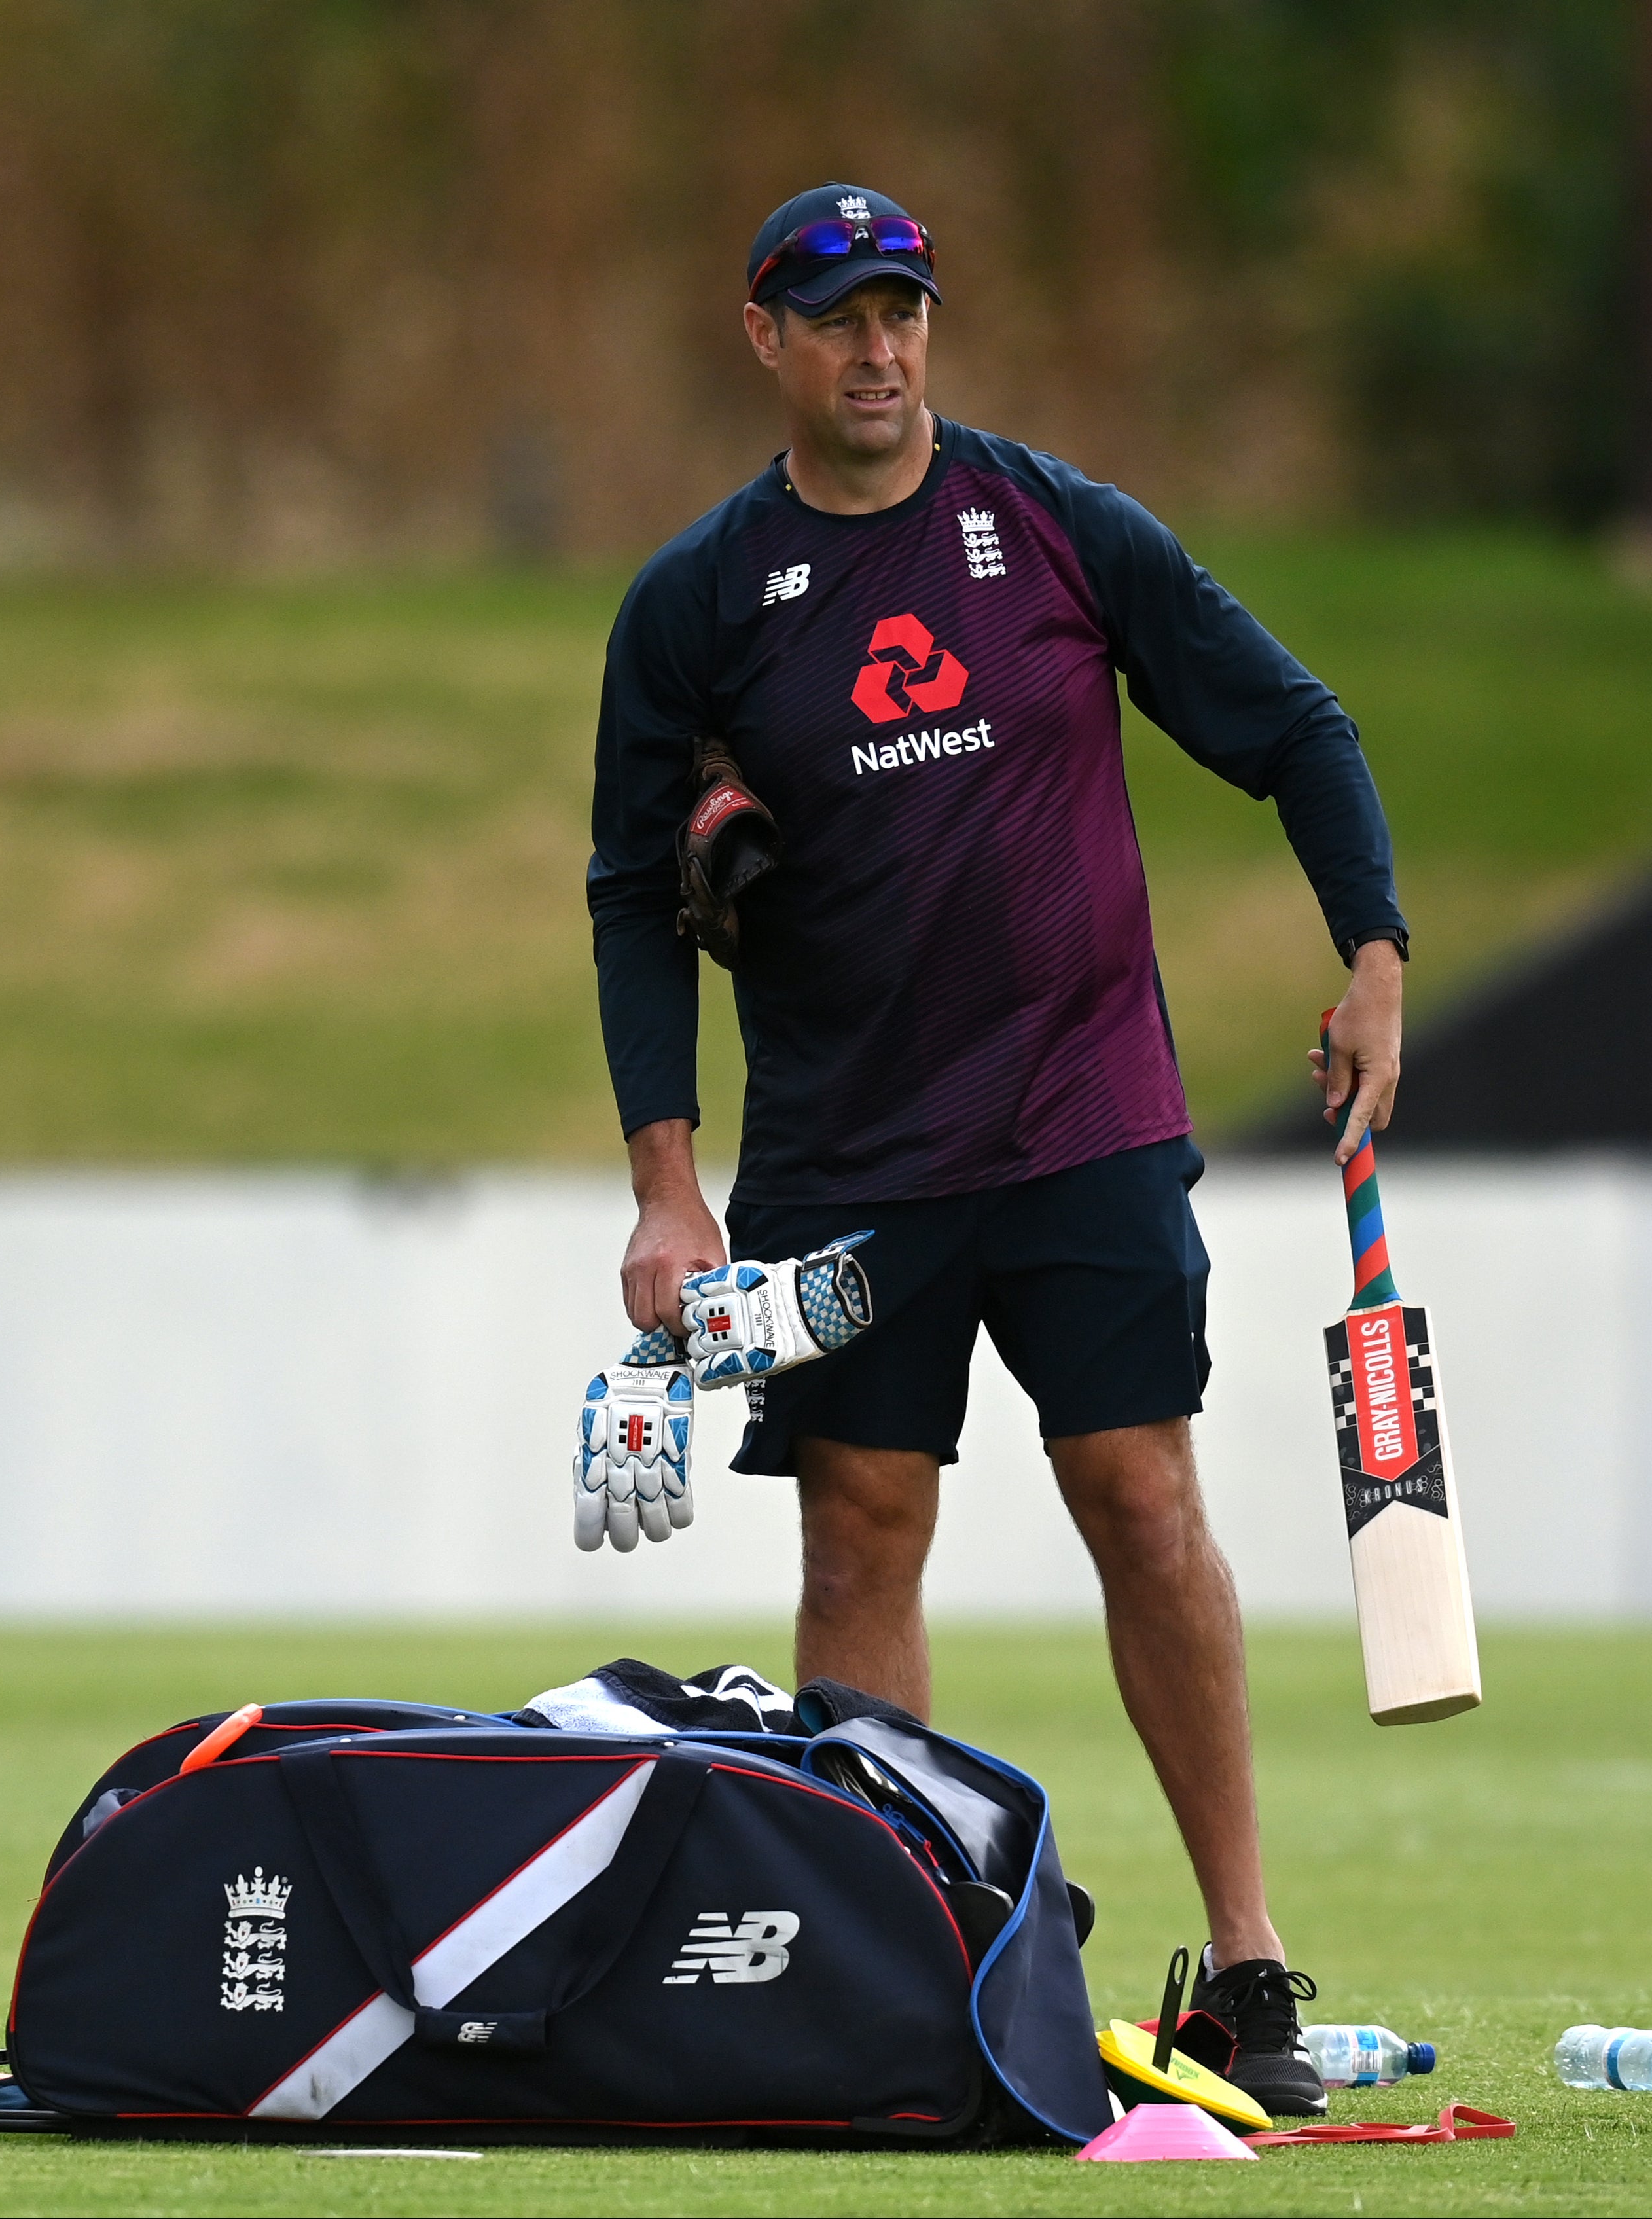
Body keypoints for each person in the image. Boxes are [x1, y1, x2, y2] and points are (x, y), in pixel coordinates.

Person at [586, 183, 1407, 2118]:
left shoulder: (1053, 526)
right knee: (860, 1528)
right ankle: (891, 1957)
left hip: (1084, 1125)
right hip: (846, 1160)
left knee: (1138, 1496)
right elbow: (632, 894)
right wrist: (662, 1182)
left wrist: (1370, 956)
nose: (879, 348)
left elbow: (1296, 727)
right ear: (762, 339)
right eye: (837, 315)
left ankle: (1254, 1967)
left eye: (906, 311)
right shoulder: (699, 599)